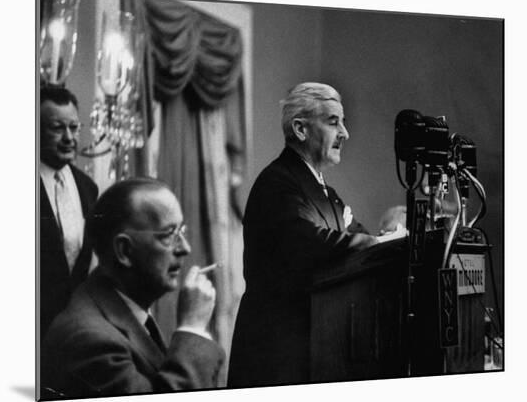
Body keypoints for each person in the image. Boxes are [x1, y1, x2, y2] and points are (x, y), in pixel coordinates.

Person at [228, 82, 379, 387]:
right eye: (333, 121)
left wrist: (383, 239)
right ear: (300, 129)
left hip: (316, 346)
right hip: (277, 353)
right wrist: (374, 243)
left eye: (343, 123)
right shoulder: (277, 183)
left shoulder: (327, 194)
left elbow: (356, 235)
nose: (345, 134)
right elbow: (309, 243)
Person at [40, 178, 225, 399]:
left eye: (181, 231)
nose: (185, 248)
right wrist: (192, 328)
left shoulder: (119, 306)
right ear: (124, 251)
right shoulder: (90, 340)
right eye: (169, 235)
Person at [39, 85, 98, 339]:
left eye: (73, 128)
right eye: (56, 128)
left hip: (75, 332)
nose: (68, 138)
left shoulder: (88, 188)